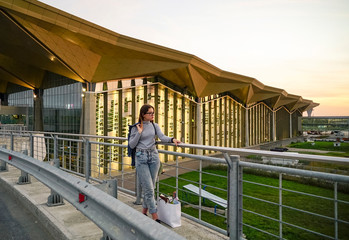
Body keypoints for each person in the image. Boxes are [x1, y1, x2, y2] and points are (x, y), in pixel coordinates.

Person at [128, 104, 181, 223]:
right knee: (149, 189)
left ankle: (144, 211)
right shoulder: (135, 127)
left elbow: (162, 137)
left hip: (154, 157)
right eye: (150, 113)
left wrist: (172, 139)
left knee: (152, 187)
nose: (152, 115)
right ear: (143, 114)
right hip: (141, 158)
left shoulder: (154, 125)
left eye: (153, 113)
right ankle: (155, 216)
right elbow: (131, 145)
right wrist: (139, 132)